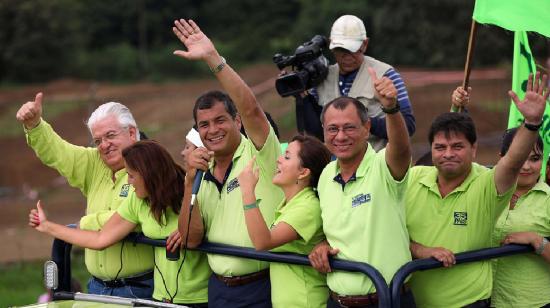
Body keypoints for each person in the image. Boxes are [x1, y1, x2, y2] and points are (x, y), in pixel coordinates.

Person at [405, 73, 549, 307]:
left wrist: (531, 123)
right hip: (416, 301)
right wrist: (419, 250)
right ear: (430, 149)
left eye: (457, 146)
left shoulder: (486, 182)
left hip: (471, 303)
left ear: (474, 150)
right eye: (440, 147)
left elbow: (512, 162)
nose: (448, 153)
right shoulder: (414, 177)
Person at [173, 19, 284, 308]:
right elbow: (190, 238)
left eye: (221, 120)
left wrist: (214, 59)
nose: (213, 130)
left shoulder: (259, 152)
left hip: (262, 287)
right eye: (204, 125)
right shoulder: (200, 169)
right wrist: (188, 183)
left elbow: (251, 108)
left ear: (237, 121)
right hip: (219, 291)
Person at [29, 140, 211, 306]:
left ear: (148, 175)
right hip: (162, 298)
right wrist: (47, 226)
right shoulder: (138, 200)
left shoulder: (193, 189)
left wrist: (186, 229)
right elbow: (100, 239)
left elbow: (206, 228)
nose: (129, 182)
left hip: (200, 298)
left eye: (131, 176)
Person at [15, 96, 154, 297]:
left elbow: (131, 216)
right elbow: (58, 153)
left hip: (139, 288)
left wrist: (84, 223)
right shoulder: (96, 162)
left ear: (132, 132)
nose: (104, 145)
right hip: (97, 287)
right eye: (98, 140)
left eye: (110, 135)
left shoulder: (151, 165)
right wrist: (35, 125)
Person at [308, 67, 415, 307]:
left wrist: (391, 108)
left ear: (367, 129)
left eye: (349, 127)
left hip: (386, 300)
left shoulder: (383, 166)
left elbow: (401, 148)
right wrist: (322, 245)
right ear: (323, 132)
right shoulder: (325, 175)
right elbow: (339, 230)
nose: (341, 136)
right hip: (338, 301)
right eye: (332, 129)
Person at [237, 135, 331, 308]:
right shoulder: (291, 203)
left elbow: (262, 242)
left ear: (303, 172)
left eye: (287, 156)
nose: (279, 159)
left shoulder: (308, 207)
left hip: (306, 302)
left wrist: (247, 191)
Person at [299, 14, 415, 150]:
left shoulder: (386, 74)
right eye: (340, 49)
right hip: (334, 166)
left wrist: (362, 122)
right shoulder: (322, 78)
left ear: (365, 44)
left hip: (376, 163)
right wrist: (302, 97)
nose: (347, 55)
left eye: (352, 49)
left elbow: (408, 126)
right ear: (331, 45)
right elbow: (315, 134)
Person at [490, 127, 550, 307]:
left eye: (535, 159)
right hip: (484, 300)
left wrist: (537, 241)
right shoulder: (484, 191)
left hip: (535, 303)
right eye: (520, 157)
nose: (526, 166)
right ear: (502, 157)